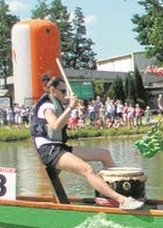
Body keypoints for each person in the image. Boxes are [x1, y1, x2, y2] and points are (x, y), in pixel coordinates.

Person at [30, 76, 144, 210]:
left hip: (59, 147)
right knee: (87, 169)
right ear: (52, 90)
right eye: (63, 91)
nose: (65, 95)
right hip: (49, 150)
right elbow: (55, 125)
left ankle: (112, 193)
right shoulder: (47, 105)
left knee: (104, 154)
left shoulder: (56, 103)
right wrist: (71, 107)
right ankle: (122, 200)